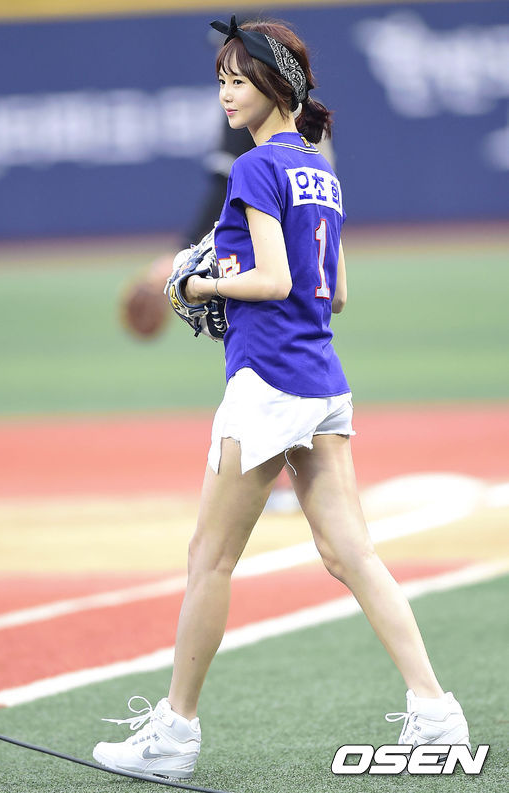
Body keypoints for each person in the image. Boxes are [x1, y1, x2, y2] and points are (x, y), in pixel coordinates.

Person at [93, 16, 470, 781]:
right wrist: (240, 280)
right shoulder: (318, 168)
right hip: (321, 379)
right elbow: (335, 292)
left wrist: (201, 284)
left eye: (238, 80)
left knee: (209, 558)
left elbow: (274, 281)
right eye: (222, 81)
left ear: (273, 85)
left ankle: (175, 732)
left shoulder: (256, 167)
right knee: (350, 552)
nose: (226, 94)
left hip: (267, 382)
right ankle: (436, 709)